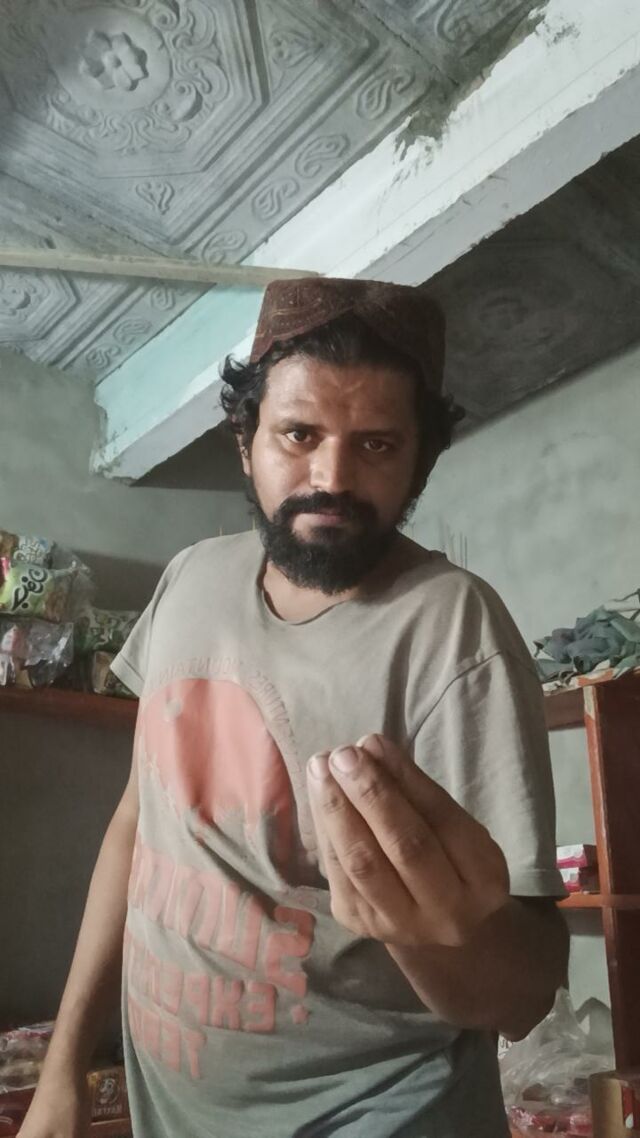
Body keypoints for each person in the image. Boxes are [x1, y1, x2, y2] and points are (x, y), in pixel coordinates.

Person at [19, 277, 568, 1138]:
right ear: (246, 441)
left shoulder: (454, 631)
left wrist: (422, 930)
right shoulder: (189, 579)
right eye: (299, 434)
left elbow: (525, 993)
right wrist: (66, 1069)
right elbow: (138, 821)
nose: (332, 478)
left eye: (377, 445)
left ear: (420, 462)